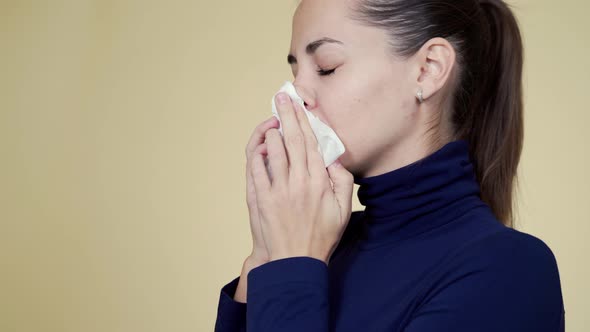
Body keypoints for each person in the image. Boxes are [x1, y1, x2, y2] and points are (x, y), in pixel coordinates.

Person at [214, 0, 565, 331]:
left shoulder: (509, 269)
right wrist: (265, 256)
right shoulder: (317, 246)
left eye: (326, 67)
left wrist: (290, 265)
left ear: (428, 70)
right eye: (294, 71)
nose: (293, 94)